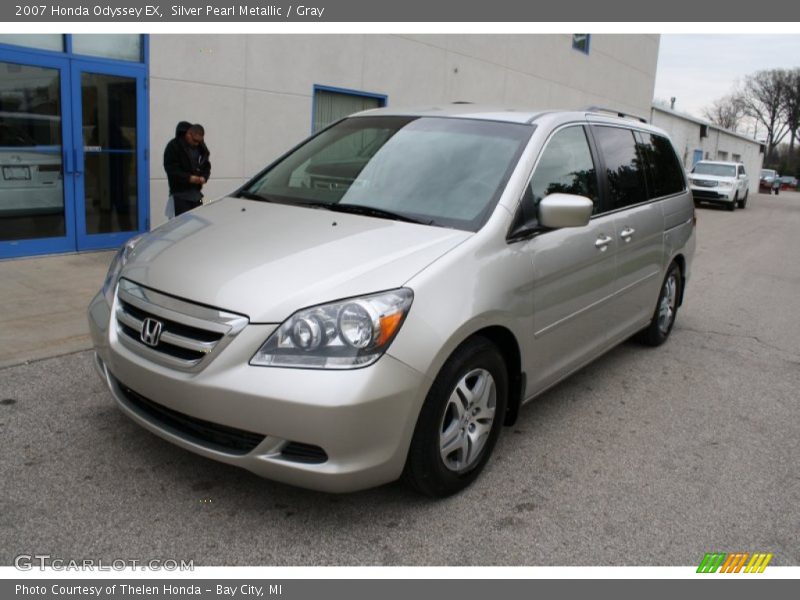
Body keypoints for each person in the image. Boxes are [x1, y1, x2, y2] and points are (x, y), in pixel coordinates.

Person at [163, 121, 211, 216]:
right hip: (179, 195)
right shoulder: (173, 146)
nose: (197, 143)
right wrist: (189, 178)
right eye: (195, 140)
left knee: (198, 223)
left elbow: (206, 165)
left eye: (199, 141)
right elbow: (171, 169)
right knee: (180, 226)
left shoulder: (201, 147)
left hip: (197, 195)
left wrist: (204, 177)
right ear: (188, 134)